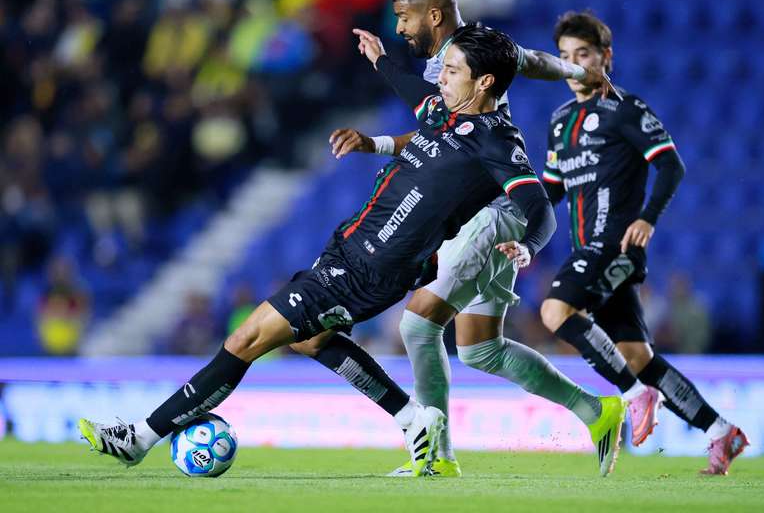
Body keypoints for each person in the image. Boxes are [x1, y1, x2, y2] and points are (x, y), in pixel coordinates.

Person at [77, 23, 625, 477]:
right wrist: (381, 61)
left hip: (371, 268)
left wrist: (527, 247)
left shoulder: (496, 142)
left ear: (483, 83)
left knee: (244, 339)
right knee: (312, 340)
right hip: (350, 248)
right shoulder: (446, 113)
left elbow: (538, 205)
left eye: (453, 70)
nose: (442, 77)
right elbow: (414, 93)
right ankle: (414, 420)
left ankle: (140, 437)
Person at [299, 0, 634, 478]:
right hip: (490, 209)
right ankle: (597, 411)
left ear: (433, 16)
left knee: (417, 326)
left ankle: (435, 456)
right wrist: (378, 126)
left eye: (404, 19)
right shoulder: (473, 60)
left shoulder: (473, 61)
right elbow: (435, 126)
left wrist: (528, 245)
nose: (400, 28)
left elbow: (516, 180)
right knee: (479, 348)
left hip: (487, 213)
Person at [539, 10, 749, 475]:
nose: (574, 66)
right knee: (636, 356)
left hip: (612, 244)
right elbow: (552, 190)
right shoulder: (559, 121)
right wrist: (512, 218)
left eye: (584, 55)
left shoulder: (625, 109)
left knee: (555, 311)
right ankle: (720, 432)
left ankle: (635, 396)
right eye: (566, 58)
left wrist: (648, 219)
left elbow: (671, 165)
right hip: (584, 250)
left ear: (605, 57)